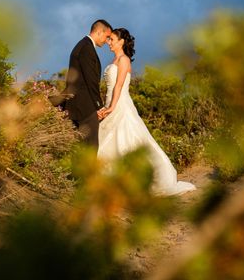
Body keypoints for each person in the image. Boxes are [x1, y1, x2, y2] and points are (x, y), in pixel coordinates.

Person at [97, 28, 196, 196]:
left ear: (121, 41)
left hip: (120, 104)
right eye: (108, 39)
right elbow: (110, 87)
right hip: (109, 102)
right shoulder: (114, 59)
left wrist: (112, 107)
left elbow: (119, 86)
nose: (108, 42)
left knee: (127, 140)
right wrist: (105, 106)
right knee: (109, 142)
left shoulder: (124, 60)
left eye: (112, 39)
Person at [63, 19, 112, 147]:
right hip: (85, 107)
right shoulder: (86, 49)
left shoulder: (83, 45)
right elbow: (91, 81)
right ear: (99, 32)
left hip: (79, 106)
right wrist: (99, 106)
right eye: (107, 37)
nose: (107, 41)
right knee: (90, 149)